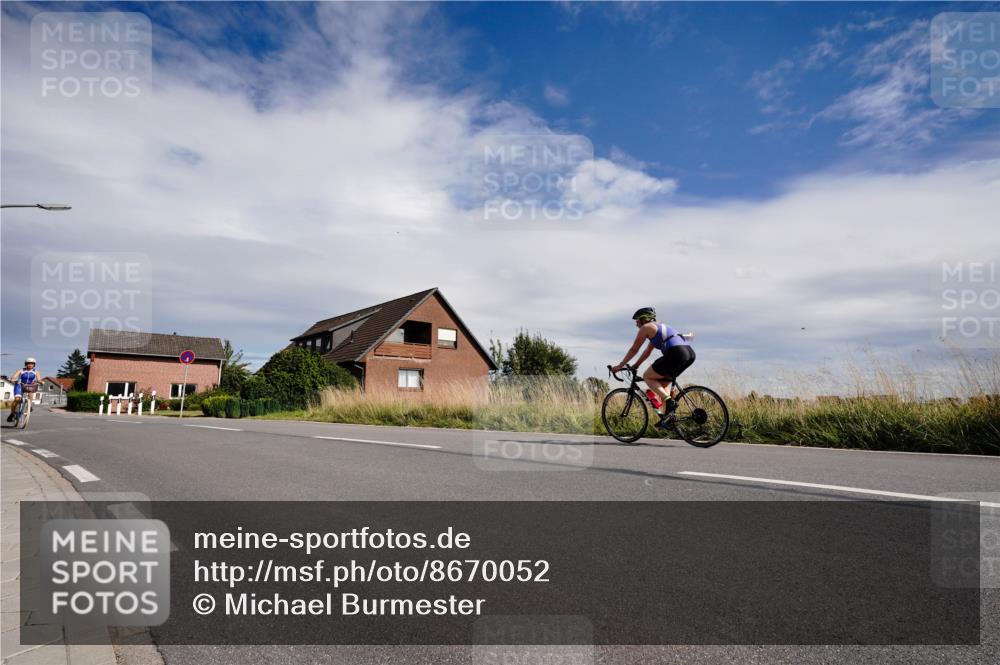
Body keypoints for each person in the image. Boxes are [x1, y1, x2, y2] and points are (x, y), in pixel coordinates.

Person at [611, 308, 695, 428]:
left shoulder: (646, 328)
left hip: (676, 353)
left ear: (644, 319)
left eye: (637, 321)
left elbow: (634, 349)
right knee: (662, 385)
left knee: (647, 376)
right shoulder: (658, 328)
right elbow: (647, 351)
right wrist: (636, 365)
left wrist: (620, 365)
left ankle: (670, 402)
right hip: (689, 354)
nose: (636, 324)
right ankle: (668, 418)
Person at [7, 357, 40, 423]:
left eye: (32, 363)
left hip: (29, 386)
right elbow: (14, 376)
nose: (30, 365)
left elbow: (39, 379)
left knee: (31, 392)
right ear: (26, 364)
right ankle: (12, 413)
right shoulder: (21, 370)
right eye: (28, 363)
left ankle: (29, 405)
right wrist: (13, 378)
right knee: (17, 399)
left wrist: (41, 381)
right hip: (19, 385)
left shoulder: (36, 372)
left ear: (34, 365)